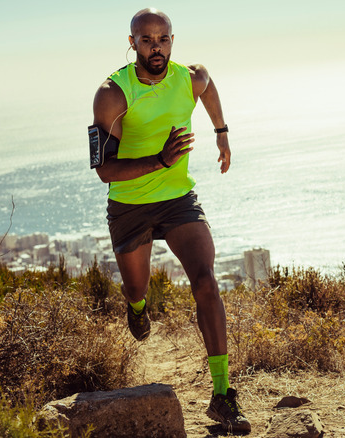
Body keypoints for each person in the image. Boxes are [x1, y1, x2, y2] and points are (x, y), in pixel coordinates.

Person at [90, 8, 250, 434]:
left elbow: (209, 86)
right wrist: (160, 159)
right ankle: (137, 307)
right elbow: (104, 170)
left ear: (172, 41)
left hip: (179, 199)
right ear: (132, 43)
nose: (155, 46)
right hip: (130, 205)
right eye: (146, 39)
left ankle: (222, 395)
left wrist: (221, 130)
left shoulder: (189, 76)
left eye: (163, 38)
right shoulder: (113, 94)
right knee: (136, 287)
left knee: (206, 280)